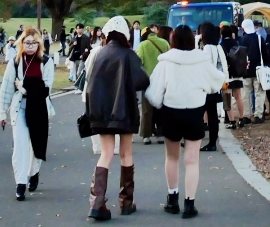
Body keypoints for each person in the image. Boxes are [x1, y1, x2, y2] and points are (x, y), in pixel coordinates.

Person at [146, 24, 226, 219]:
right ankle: (190, 204)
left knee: (172, 157)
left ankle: (172, 198)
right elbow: (217, 81)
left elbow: (154, 92)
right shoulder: (201, 61)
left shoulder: (165, 62)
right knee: (192, 160)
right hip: (195, 112)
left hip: (171, 111)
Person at [83, 16, 149, 221]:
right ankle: (126, 202)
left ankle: (97, 203)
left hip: (101, 113)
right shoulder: (129, 55)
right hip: (125, 110)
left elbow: (89, 86)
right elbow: (143, 80)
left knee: (106, 153)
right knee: (126, 153)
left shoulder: (99, 54)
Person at [0, 27, 54, 201]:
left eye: (34, 43)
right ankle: (20, 183)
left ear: (39, 44)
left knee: (36, 144)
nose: (30, 46)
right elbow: (7, 87)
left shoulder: (46, 62)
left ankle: (34, 172)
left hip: (39, 108)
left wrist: (22, 86)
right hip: (19, 108)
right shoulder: (15, 61)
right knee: (20, 145)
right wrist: (2, 112)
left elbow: (45, 89)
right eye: (26, 43)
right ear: (21, 43)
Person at [135, 24, 170, 145]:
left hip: (147, 80)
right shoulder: (164, 43)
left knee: (146, 109)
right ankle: (160, 133)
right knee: (160, 107)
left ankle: (146, 135)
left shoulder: (143, 45)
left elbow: (139, 61)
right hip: (162, 80)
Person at [195, 22, 226, 151]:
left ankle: (195, 140)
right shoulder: (217, 46)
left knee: (198, 114)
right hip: (214, 85)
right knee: (212, 115)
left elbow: (202, 63)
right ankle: (212, 141)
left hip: (205, 85)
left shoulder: (207, 48)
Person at [238, 19, 270, 123]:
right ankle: (258, 114)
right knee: (259, 93)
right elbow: (265, 54)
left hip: (245, 70)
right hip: (258, 69)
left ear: (243, 28)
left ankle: (246, 115)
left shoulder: (242, 40)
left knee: (246, 94)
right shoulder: (259, 38)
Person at [219, 24, 246, 127]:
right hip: (237, 73)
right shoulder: (237, 43)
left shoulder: (221, 45)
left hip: (226, 76)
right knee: (239, 97)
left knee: (227, 98)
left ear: (221, 34)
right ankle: (241, 118)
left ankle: (232, 121)